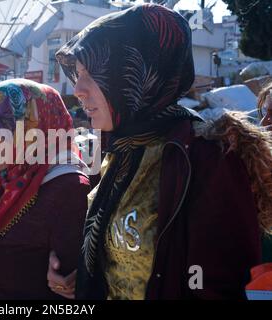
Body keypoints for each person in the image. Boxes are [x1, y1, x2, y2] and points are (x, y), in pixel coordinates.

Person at [48, 4, 272, 300]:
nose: (78, 89)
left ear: (140, 73)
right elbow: (123, 259)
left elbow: (218, 284)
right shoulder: (123, 148)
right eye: (77, 74)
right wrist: (87, 279)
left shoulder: (204, 156)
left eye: (94, 73)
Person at [0, 79, 90, 300]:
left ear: (28, 130)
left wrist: (75, 287)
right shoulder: (5, 177)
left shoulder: (68, 191)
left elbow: (71, 291)